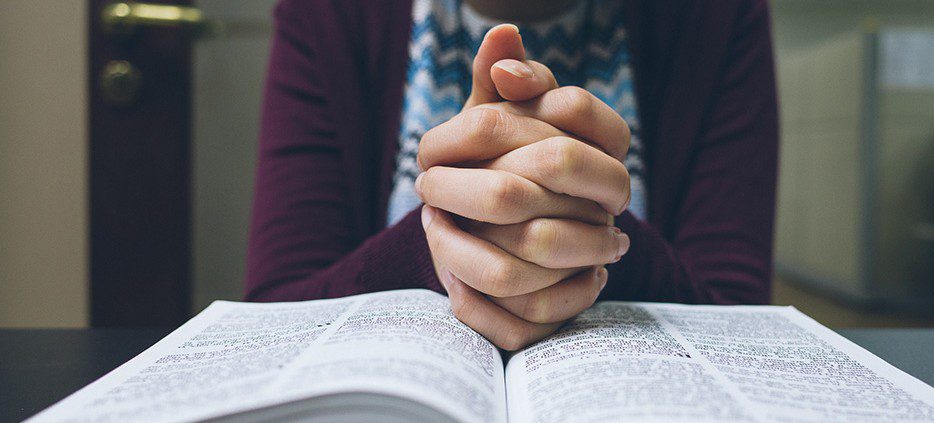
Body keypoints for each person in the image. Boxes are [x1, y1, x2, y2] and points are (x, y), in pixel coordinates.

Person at [246, 0, 779, 350]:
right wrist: (444, 237)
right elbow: (274, 318)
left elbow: (739, 323)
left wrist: (580, 230)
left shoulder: (718, 15)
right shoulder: (327, 14)